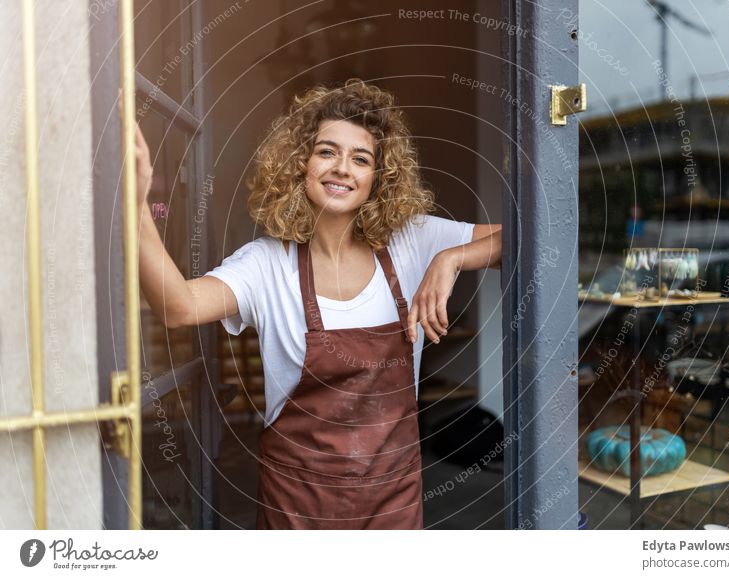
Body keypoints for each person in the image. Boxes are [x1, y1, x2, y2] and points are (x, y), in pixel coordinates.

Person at [136, 78, 501, 529]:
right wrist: (135, 206)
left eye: (361, 158)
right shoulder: (267, 264)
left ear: (378, 177)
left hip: (393, 498)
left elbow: (529, 237)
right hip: (298, 504)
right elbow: (178, 307)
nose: (343, 168)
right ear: (299, 165)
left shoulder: (414, 239)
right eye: (327, 151)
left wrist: (451, 258)